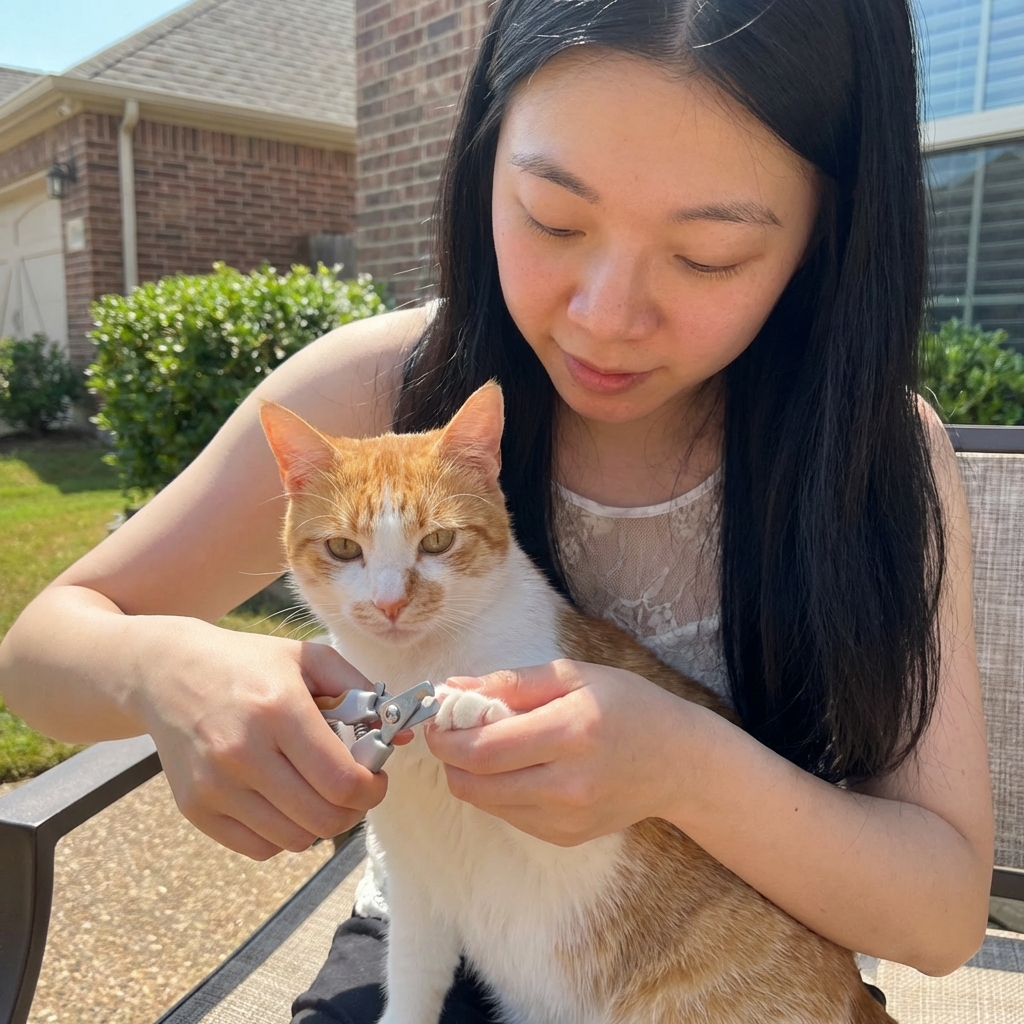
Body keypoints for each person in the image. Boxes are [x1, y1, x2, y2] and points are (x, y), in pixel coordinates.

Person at [0, 0, 994, 1021]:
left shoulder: (869, 451)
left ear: (824, 235)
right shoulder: (377, 394)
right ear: (484, 161)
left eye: (707, 254)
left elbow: (938, 919)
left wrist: (683, 765)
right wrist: (166, 670)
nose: (605, 316)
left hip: (709, 955)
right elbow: (36, 655)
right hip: (442, 928)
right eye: (551, 217)